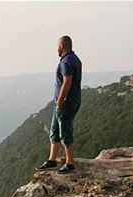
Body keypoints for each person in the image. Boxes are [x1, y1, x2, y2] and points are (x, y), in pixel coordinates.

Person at [38, 35, 82, 172]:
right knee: (55, 131)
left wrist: (60, 101)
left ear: (62, 46)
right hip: (66, 102)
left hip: (65, 103)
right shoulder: (74, 59)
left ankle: (70, 163)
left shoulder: (66, 61)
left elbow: (67, 82)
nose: (56, 48)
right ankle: (52, 160)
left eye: (57, 45)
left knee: (65, 132)